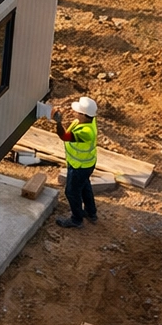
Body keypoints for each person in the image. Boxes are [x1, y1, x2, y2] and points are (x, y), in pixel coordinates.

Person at [54, 95, 98, 229]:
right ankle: (91, 213)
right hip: (86, 164)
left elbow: (64, 136)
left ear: (84, 115)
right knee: (85, 187)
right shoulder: (89, 120)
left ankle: (77, 219)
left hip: (79, 166)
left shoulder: (86, 132)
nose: (74, 113)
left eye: (77, 111)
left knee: (71, 192)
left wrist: (58, 122)